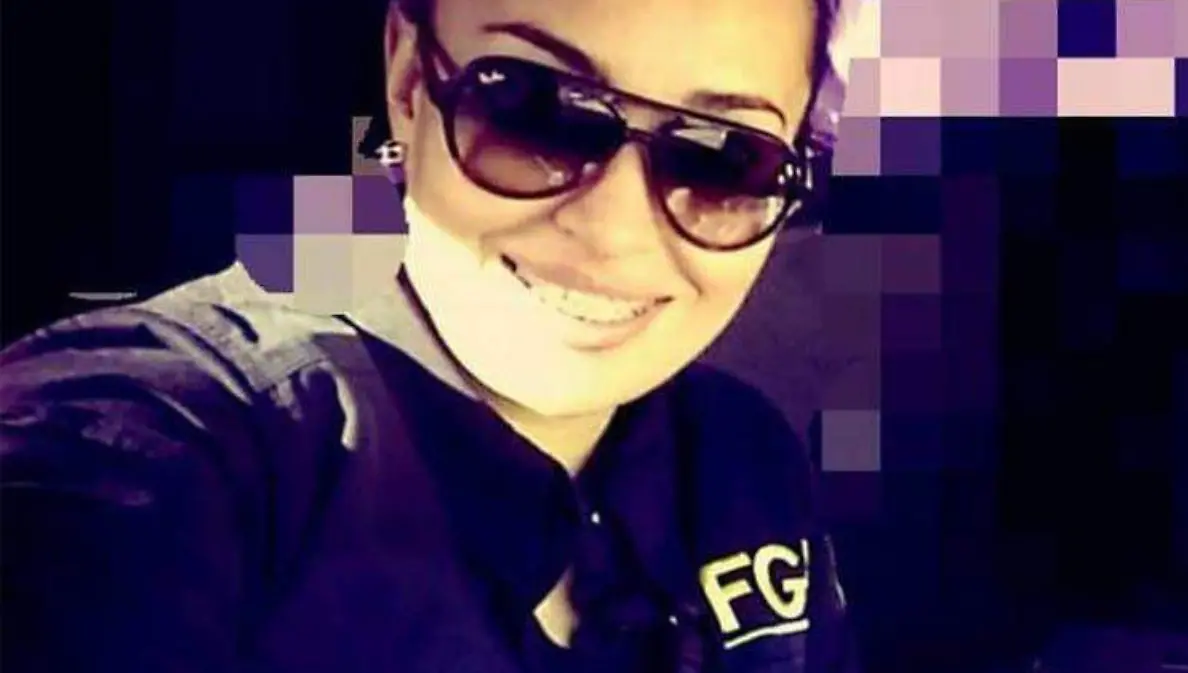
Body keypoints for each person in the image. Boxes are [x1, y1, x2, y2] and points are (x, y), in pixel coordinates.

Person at [0, 0, 858, 670]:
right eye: (535, 110)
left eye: (722, 158)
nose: (615, 233)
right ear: (410, 81)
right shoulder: (171, 452)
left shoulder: (739, 455)